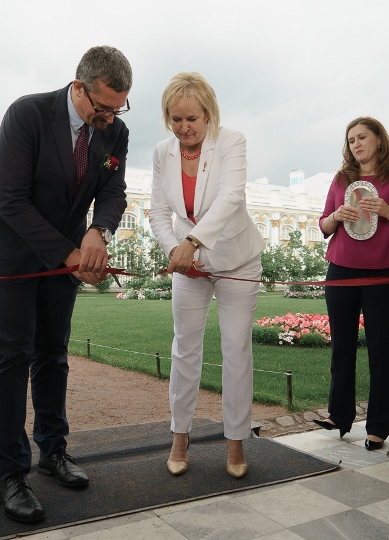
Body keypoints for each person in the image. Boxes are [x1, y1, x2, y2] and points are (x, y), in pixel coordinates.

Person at [0, 46, 132, 523]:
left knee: (53, 352)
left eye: (118, 107)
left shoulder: (116, 131)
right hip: (12, 247)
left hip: (67, 248)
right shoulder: (27, 114)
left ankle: (53, 452)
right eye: (102, 107)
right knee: (12, 354)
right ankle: (11, 473)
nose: (109, 117)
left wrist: (97, 232)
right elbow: (12, 199)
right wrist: (71, 255)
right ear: (79, 86)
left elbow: (112, 190)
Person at [148, 72, 266, 479]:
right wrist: (175, 250)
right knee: (184, 350)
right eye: (175, 120)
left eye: (192, 119)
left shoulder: (232, 141)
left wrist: (193, 242)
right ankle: (180, 438)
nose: (183, 129)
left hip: (237, 262)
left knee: (235, 350)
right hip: (189, 266)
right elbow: (159, 213)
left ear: (209, 114)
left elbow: (231, 197)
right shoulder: (162, 152)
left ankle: (235, 444)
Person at [315, 117, 389, 450]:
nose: (356, 144)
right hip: (341, 271)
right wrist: (337, 217)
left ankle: (378, 427)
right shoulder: (341, 179)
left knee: (380, 351)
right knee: (342, 347)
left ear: (378, 140)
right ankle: (339, 416)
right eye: (350, 140)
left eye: (362, 137)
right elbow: (324, 224)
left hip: (384, 273)